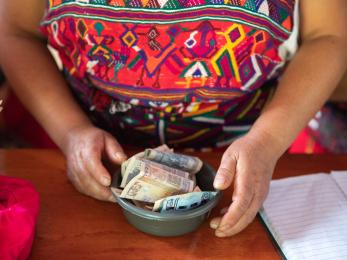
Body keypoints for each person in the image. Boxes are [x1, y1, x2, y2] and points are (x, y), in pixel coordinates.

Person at [0, 0, 346, 238]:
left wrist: (267, 141)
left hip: (253, 147)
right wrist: (72, 132)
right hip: (93, 150)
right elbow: (14, 31)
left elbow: (329, 36)